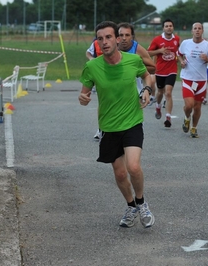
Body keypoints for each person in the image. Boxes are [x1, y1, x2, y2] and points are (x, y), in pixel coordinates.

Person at [78, 21, 155, 228]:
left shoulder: (133, 60)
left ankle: (141, 202)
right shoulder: (92, 67)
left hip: (132, 121)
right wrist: (83, 99)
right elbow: (83, 94)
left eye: (109, 37)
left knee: (133, 166)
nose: (104, 42)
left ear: (118, 39)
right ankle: (131, 206)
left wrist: (147, 90)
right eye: (100, 39)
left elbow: (147, 75)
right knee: (120, 173)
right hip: (109, 126)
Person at [177, 22, 208, 138]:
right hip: (187, 78)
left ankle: (194, 128)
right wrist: (182, 62)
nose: (197, 30)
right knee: (189, 105)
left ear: (202, 31)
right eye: (195, 28)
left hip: (201, 80)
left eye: (199, 28)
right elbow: (179, 54)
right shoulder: (186, 43)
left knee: (197, 106)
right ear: (192, 31)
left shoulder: (207, 45)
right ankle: (186, 118)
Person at [147, 19, 180, 128]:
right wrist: (159, 51)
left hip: (172, 70)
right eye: (166, 26)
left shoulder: (177, 39)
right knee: (160, 92)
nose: (169, 28)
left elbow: (179, 52)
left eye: (170, 26)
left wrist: (181, 60)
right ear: (163, 28)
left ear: (173, 27)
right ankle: (158, 106)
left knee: (168, 92)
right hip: (160, 70)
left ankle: (168, 117)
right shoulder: (157, 40)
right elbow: (148, 52)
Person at [117, 22, 156, 94]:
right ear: (117, 37)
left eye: (127, 35)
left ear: (132, 36)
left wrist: (135, 69)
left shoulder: (138, 49)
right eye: (121, 35)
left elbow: (153, 69)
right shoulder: (112, 48)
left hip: (135, 92)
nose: (124, 38)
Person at [86, 38, 103, 140]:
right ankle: (101, 129)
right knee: (102, 102)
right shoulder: (96, 43)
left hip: (117, 75)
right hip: (101, 75)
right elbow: (88, 52)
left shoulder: (117, 42)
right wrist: (91, 58)